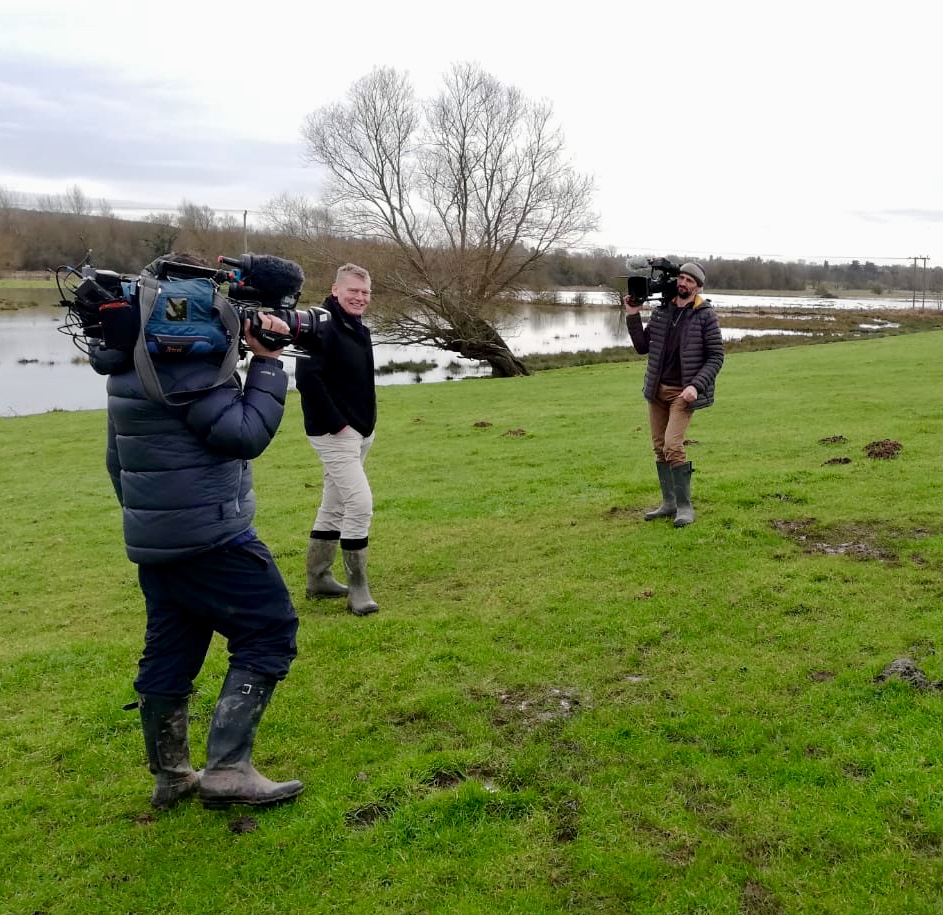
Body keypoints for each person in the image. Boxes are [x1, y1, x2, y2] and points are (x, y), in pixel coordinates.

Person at [90, 254, 303, 811]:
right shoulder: (184, 357)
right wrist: (268, 364)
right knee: (269, 629)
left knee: (172, 650)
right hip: (211, 534)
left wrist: (152, 520)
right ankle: (228, 769)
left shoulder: (134, 358)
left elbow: (116, 460)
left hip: (159, 540)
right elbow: (244, 432)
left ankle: (172, 775)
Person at [295, 263, 379, 616]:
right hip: (334, 434)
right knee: (359, 503)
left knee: (335, 503)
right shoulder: (320, 326)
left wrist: (366, 426)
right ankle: (358, 588)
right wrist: (339, 425)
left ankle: (318, 578)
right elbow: (307, 380)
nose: (359, 298)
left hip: (360, 432)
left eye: (364, 292)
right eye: (352, 292)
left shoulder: (359, 328)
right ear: (335, 289)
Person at [624, 262, 724, 527]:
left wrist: (696, 386)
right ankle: (668, 503)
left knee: (672, 446)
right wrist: (633, 314)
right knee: (659, 448)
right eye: (681, 277)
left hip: (684, 393)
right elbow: (642, 347)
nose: (683, 283)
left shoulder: (705, 315)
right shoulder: (662, 311)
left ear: (698, 286)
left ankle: (685, 506)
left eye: (690, 280)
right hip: (656, 390)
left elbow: (716, 357)